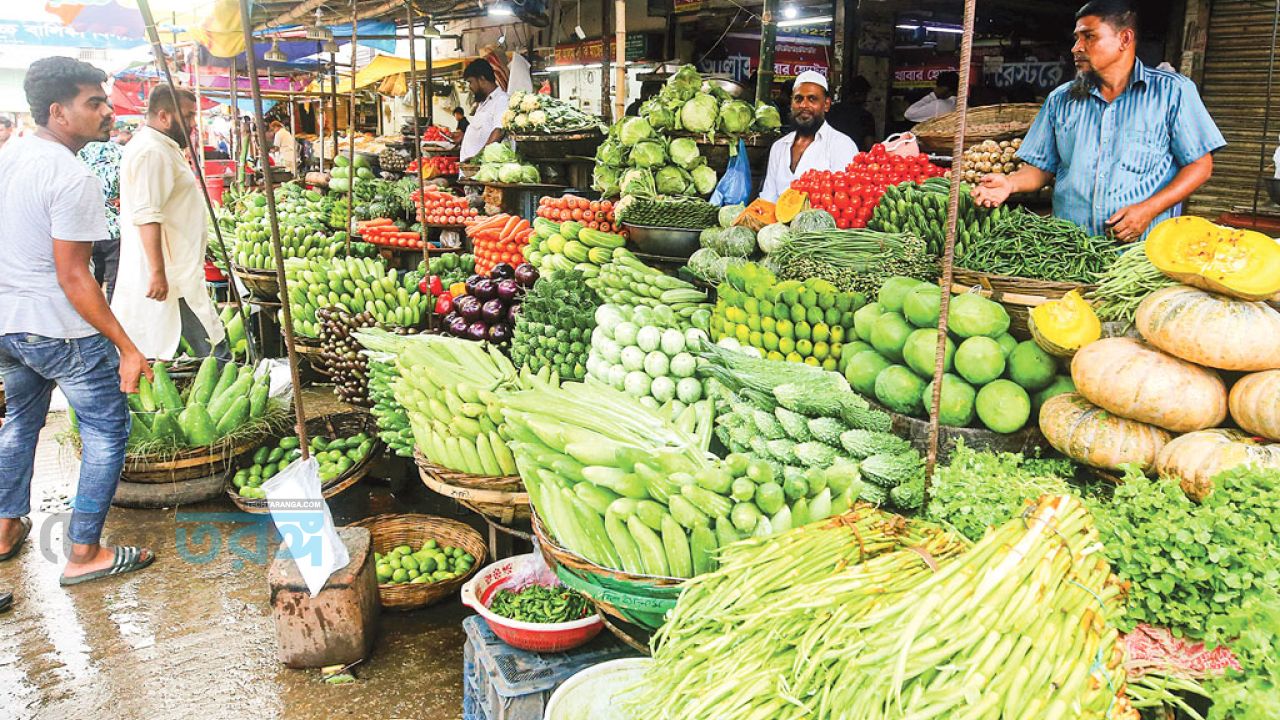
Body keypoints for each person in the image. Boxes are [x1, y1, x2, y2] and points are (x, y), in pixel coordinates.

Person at [0, 57, 155, 591]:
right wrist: (127, 346)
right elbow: (75, 278)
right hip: (58, 328)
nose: (108, 111)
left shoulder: (10, 154)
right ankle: (85, 550)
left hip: (7, 325)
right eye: (95, 102)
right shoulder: (72, 175)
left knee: (21, 422)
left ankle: (2, 530)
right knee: (108, 429)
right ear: (58, 111)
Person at [972, 0, 1225, 242]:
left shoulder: (1173, 93)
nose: (1076, 47)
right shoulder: (1060, 100)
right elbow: (1041, 169)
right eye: (1076, 38)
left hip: (1139, 252)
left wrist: (1148, 209)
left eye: (1089, 36)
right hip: (1072, 250)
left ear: (1124, 39)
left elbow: (1200, 166)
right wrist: (1010, 183)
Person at [111, 85, 228, 361]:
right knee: (214, 352)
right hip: (171, 273)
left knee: (204, 344)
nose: (192, 125)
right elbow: (147, 215)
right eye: (187, 117)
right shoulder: (152, 151)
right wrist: (158, 272)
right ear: (164, 116)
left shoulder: (162, 146)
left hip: (177, 269)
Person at [759, 70, 858, 203]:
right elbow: (768, 198)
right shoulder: (779, 147)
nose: (804, 105)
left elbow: (843, 201)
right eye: (798, 99)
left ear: (826, 104)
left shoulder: (842, 145)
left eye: (812, 99)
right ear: (791, 104)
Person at [77, 138, 123, 300]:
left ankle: (90, 319)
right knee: (114, 282)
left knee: (89, 278)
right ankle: (113, 318)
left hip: (86, 225)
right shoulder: (121, 152)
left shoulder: (78, 152)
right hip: (115, 227)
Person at [459, 59, 509, 163]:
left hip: (482, 168)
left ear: (482, 79)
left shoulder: (502, 100)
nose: (470, 87)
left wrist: (478, 159)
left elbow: (499, 131)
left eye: (470, 82)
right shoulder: (483, 102)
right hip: (472, 170)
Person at [827, 76, 878, 151]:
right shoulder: (866, 117)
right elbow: (869, 147)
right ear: (859, 95)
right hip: (855, 159)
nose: (866, 98)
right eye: (865, 95)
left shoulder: (831, 110)